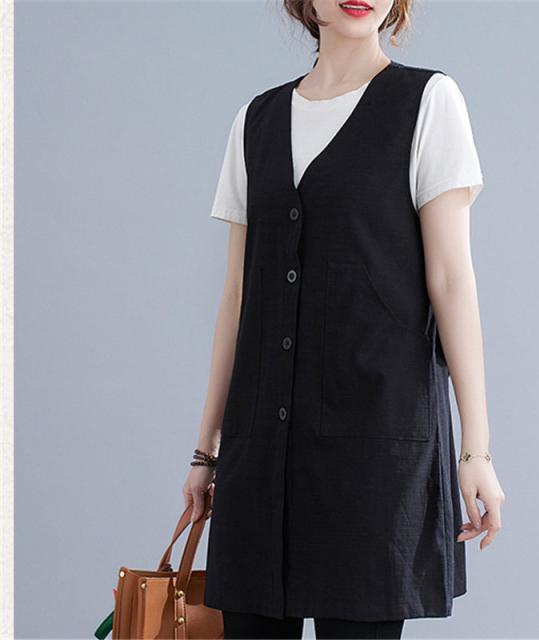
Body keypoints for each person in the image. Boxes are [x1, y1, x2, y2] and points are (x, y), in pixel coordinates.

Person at [183, 1, 506, 638]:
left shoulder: (428, 102)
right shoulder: (256, 120)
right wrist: (206, 450)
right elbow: (239, 295)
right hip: (261, 451)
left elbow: (451, 280)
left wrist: (477, 449)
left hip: (376, 451)